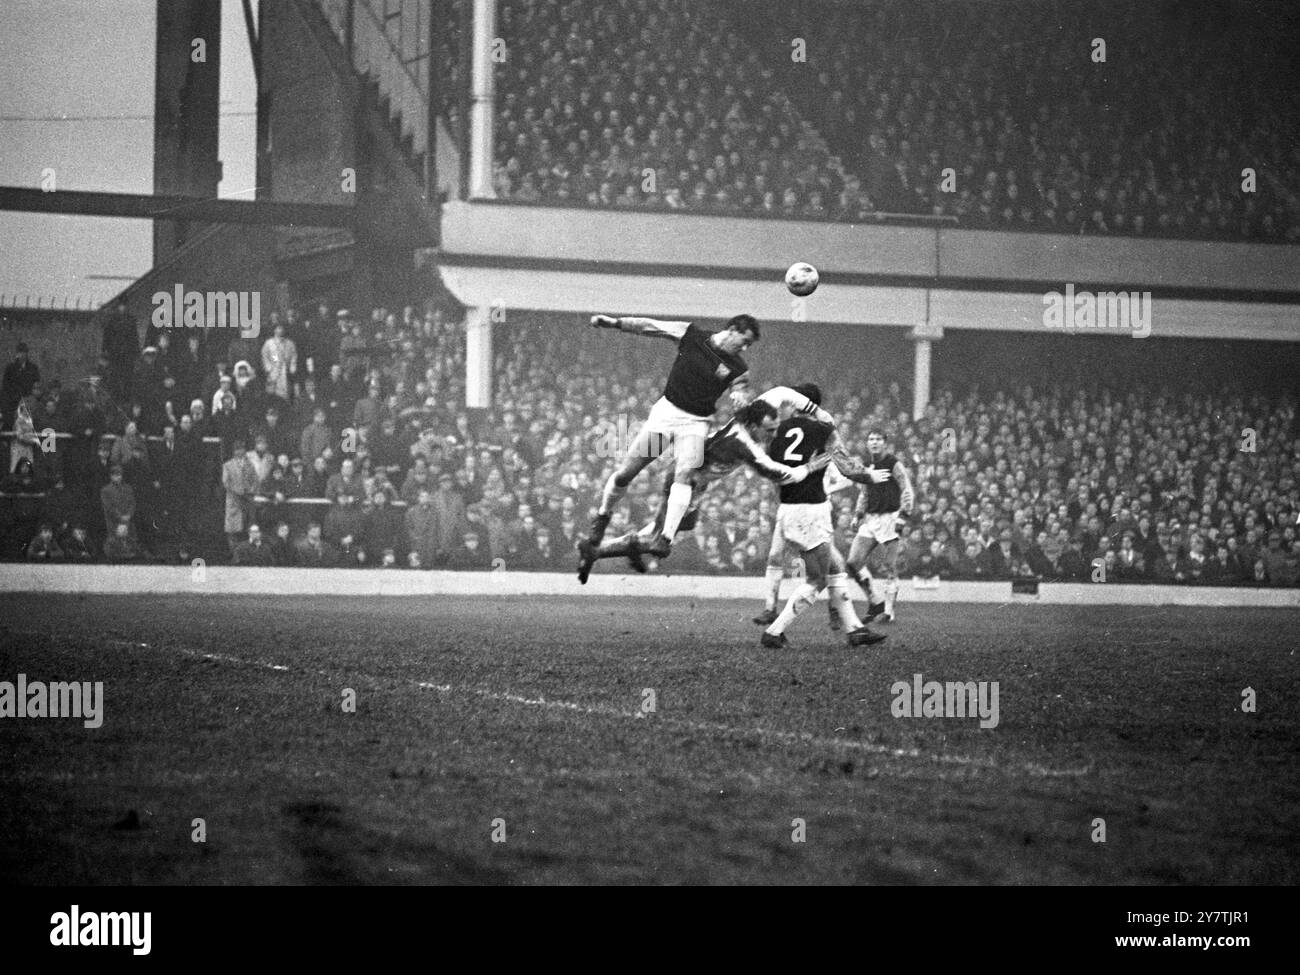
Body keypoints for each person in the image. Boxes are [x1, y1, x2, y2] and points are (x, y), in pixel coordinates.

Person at [577, 398, 821, 580]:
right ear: (753, 425)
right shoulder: (742, 443)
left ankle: (613, 548)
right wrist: (807, 469)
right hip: (683, 480)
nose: (773, 434)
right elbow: (771, 471)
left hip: (696, 484)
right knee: (658, 540)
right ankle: (599, 551)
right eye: (769, 429)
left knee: (682, 526)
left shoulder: (741, 424)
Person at [583, 312, 760, 559]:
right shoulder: (692, 334)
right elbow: (650, 326)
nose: (745, 347)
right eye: (745, 340)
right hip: (666, 414)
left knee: (685, 474)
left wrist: (741, 399)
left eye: (749, 345)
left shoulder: (739, 367)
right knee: (626, 473)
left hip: (696, 423)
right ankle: (603, 515)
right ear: (732, 329)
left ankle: (664, 539)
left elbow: (742, 390)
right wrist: (615, 323)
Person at [757, 396, 886, 649]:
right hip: (811, 511)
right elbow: (847, 467)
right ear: (815, 406)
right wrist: (869, 476)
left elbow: (770, 471)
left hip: (788, 508)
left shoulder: (777, 430)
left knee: (836, 567)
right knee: (817, 579)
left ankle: (855, 630)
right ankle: (774, 631)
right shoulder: (823, 429)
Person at [844, 429, 915, 623]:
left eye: (878, 439)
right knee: (852, 563)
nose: (874, 442)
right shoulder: (867, 464)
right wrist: (858, 514)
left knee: (889, 567)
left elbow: (906, 489)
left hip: (889, 518)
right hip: (870, 519)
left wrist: (903, 515)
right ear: (867, 443)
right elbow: (864, 492)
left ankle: (889, 613)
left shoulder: (893, 463)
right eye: (871, 439)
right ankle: (875, 600)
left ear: (885, 443)